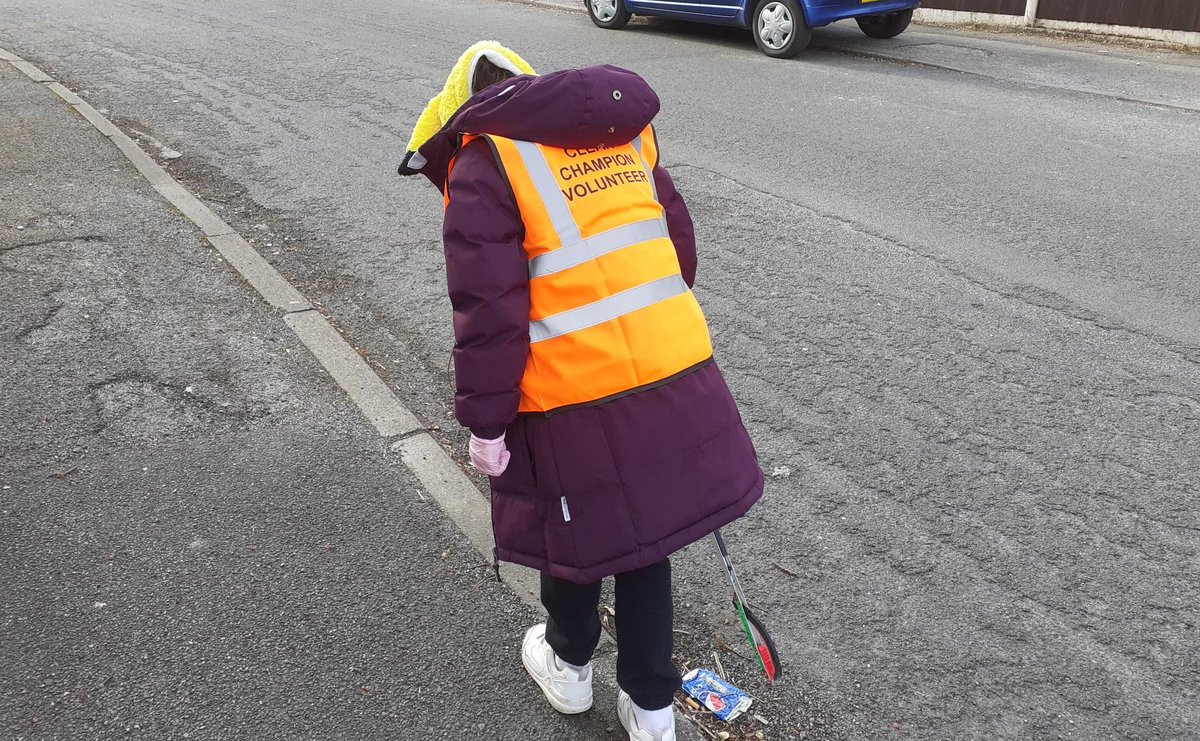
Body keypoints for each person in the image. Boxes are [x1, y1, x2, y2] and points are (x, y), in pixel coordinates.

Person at [399, 41, 763, 741]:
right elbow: (677, 249)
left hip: (571, 394)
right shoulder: (620, 133)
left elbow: (490, 314)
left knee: (576, 537)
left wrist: (486, 423)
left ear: (458, 113)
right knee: (647, 540)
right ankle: (652, 711)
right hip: (669, 369)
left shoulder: (486, 160)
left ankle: (568, 667)